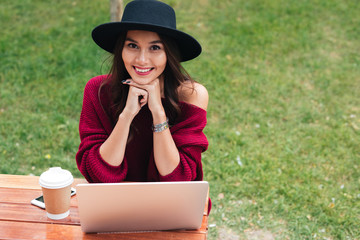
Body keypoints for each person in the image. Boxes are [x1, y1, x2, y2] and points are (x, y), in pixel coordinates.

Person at [76, 0, 209, 184]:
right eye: (132, 45)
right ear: (121, 49)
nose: (142, 59)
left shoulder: (191, 95)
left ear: (169, 54)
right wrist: (127, 115)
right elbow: (99, 175)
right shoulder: (98, 90)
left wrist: (158, 112)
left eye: (155, 48)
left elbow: (179, 180)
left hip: (170, 205)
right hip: (115, 202)